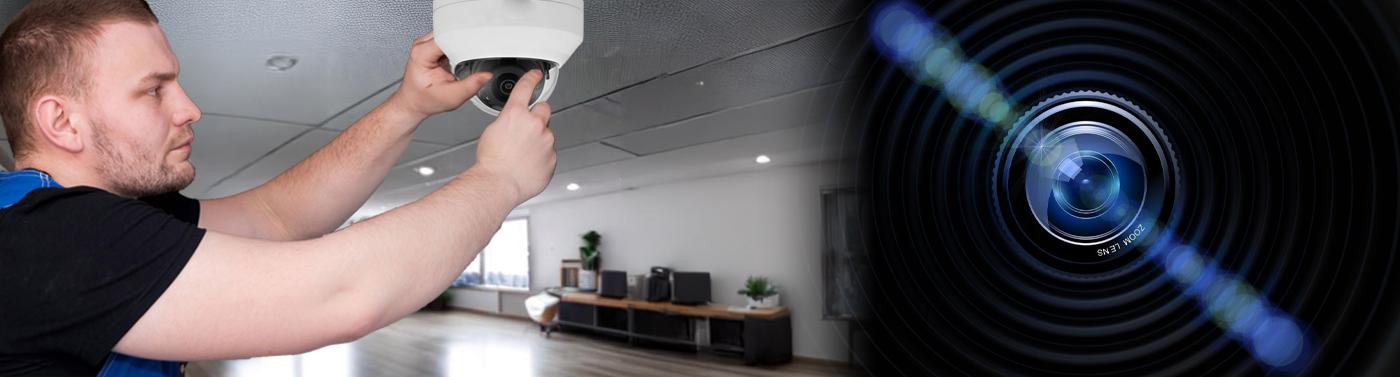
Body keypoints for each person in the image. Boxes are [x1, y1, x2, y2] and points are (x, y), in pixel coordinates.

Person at [0, 0, 557, 375]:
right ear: (62, 122)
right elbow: (338, 293)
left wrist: (407, 107)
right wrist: (500, 180)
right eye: (153, 90)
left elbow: (278, 217)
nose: (190, 108)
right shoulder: (45, 239)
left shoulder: (102, 217)